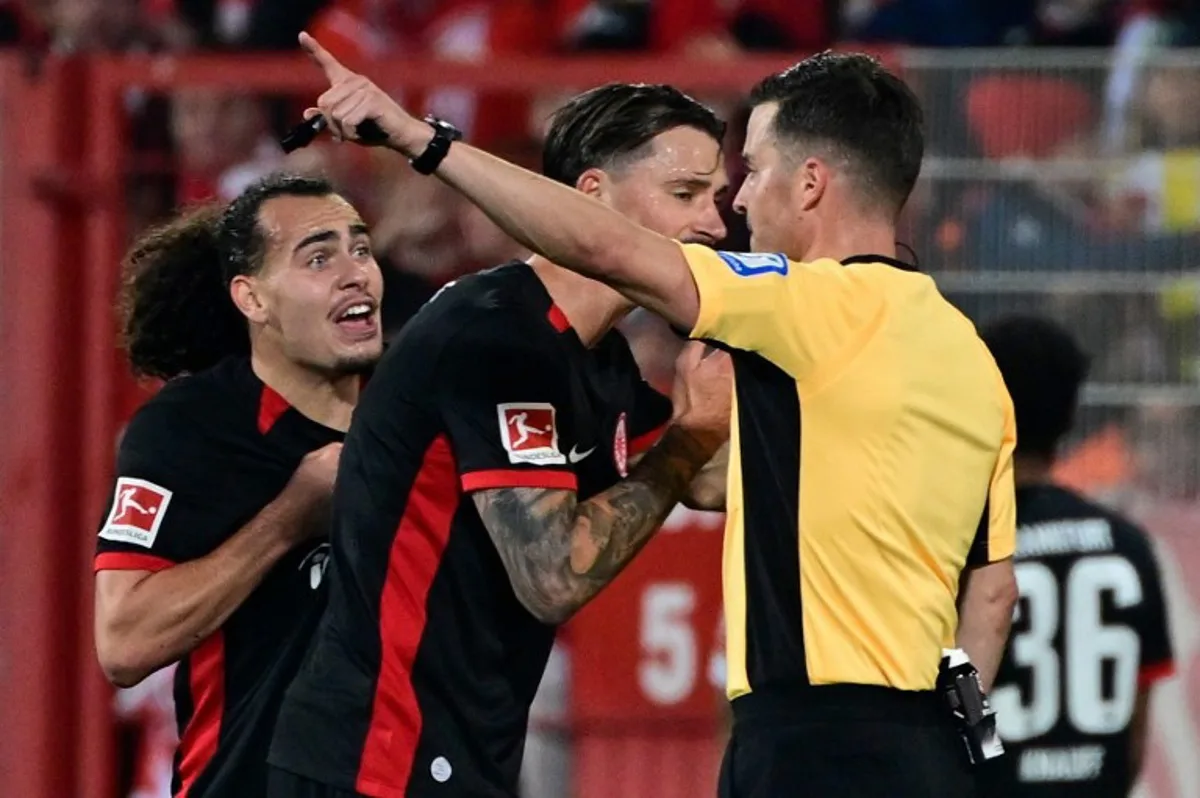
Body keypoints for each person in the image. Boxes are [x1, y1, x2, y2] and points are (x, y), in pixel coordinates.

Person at [296, 33, 1020, 798]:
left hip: (812, 741)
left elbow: (611, 251)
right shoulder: (969, 355)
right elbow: (994, 592)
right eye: (696, 192)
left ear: (810, 184)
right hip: (937, 747)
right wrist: (962, 742)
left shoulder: (803, 304)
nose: (734, 206)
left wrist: (422, 140)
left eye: (752, 173)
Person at [266, 82, 732, 798]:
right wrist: (689, 438)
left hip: (456, 753)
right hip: (377, 759)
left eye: (717, 197)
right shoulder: (495, 336)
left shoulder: (598, 356)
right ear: (592, 195)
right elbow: (552, 576)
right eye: (686, 193)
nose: (715, 225)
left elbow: (707, 476)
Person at [93, 172, 385, 798]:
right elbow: (124, 640)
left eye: (360, 249)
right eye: (318, 257)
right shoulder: (190, 430)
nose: (354, 272)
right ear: (252, 299)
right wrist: (290, 518)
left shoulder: (418, 414)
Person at [979, 314, 1175, 798]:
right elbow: (1136, 719)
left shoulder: (968, 550)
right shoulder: (1128, 545)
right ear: (1070, 415)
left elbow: (960, 694)